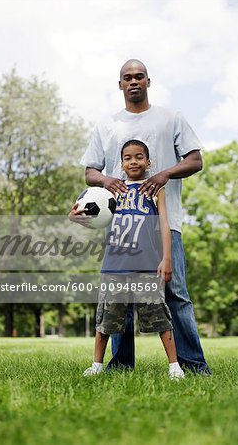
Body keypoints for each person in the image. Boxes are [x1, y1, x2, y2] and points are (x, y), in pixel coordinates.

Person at [70, 59, 211, 375]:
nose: (133, 82)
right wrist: (106, 180)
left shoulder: (170, 118)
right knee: (120, 296)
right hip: (122, 227)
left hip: (164, 223)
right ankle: (120, 364)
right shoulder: (107, 125)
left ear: (149, 81)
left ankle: (192, 364)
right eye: (127, 78)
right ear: (120, 84)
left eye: (139, 77)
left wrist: (164, 174)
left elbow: (195, 160)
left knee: (175, 293)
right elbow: (90, 171)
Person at [83, 140, 184, 380]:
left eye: (139, 157)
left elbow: (164, 224)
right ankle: (96, 365)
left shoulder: (154, 189)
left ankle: (175, 367)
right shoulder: (112, 191)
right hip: (114, 267)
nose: (134, 161)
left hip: (147, 267)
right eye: (128, 158)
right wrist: (78, 213)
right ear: (121, 163)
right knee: (106, 319)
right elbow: (83, 216)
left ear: (149, 162)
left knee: (160, 317)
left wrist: (166, 259)